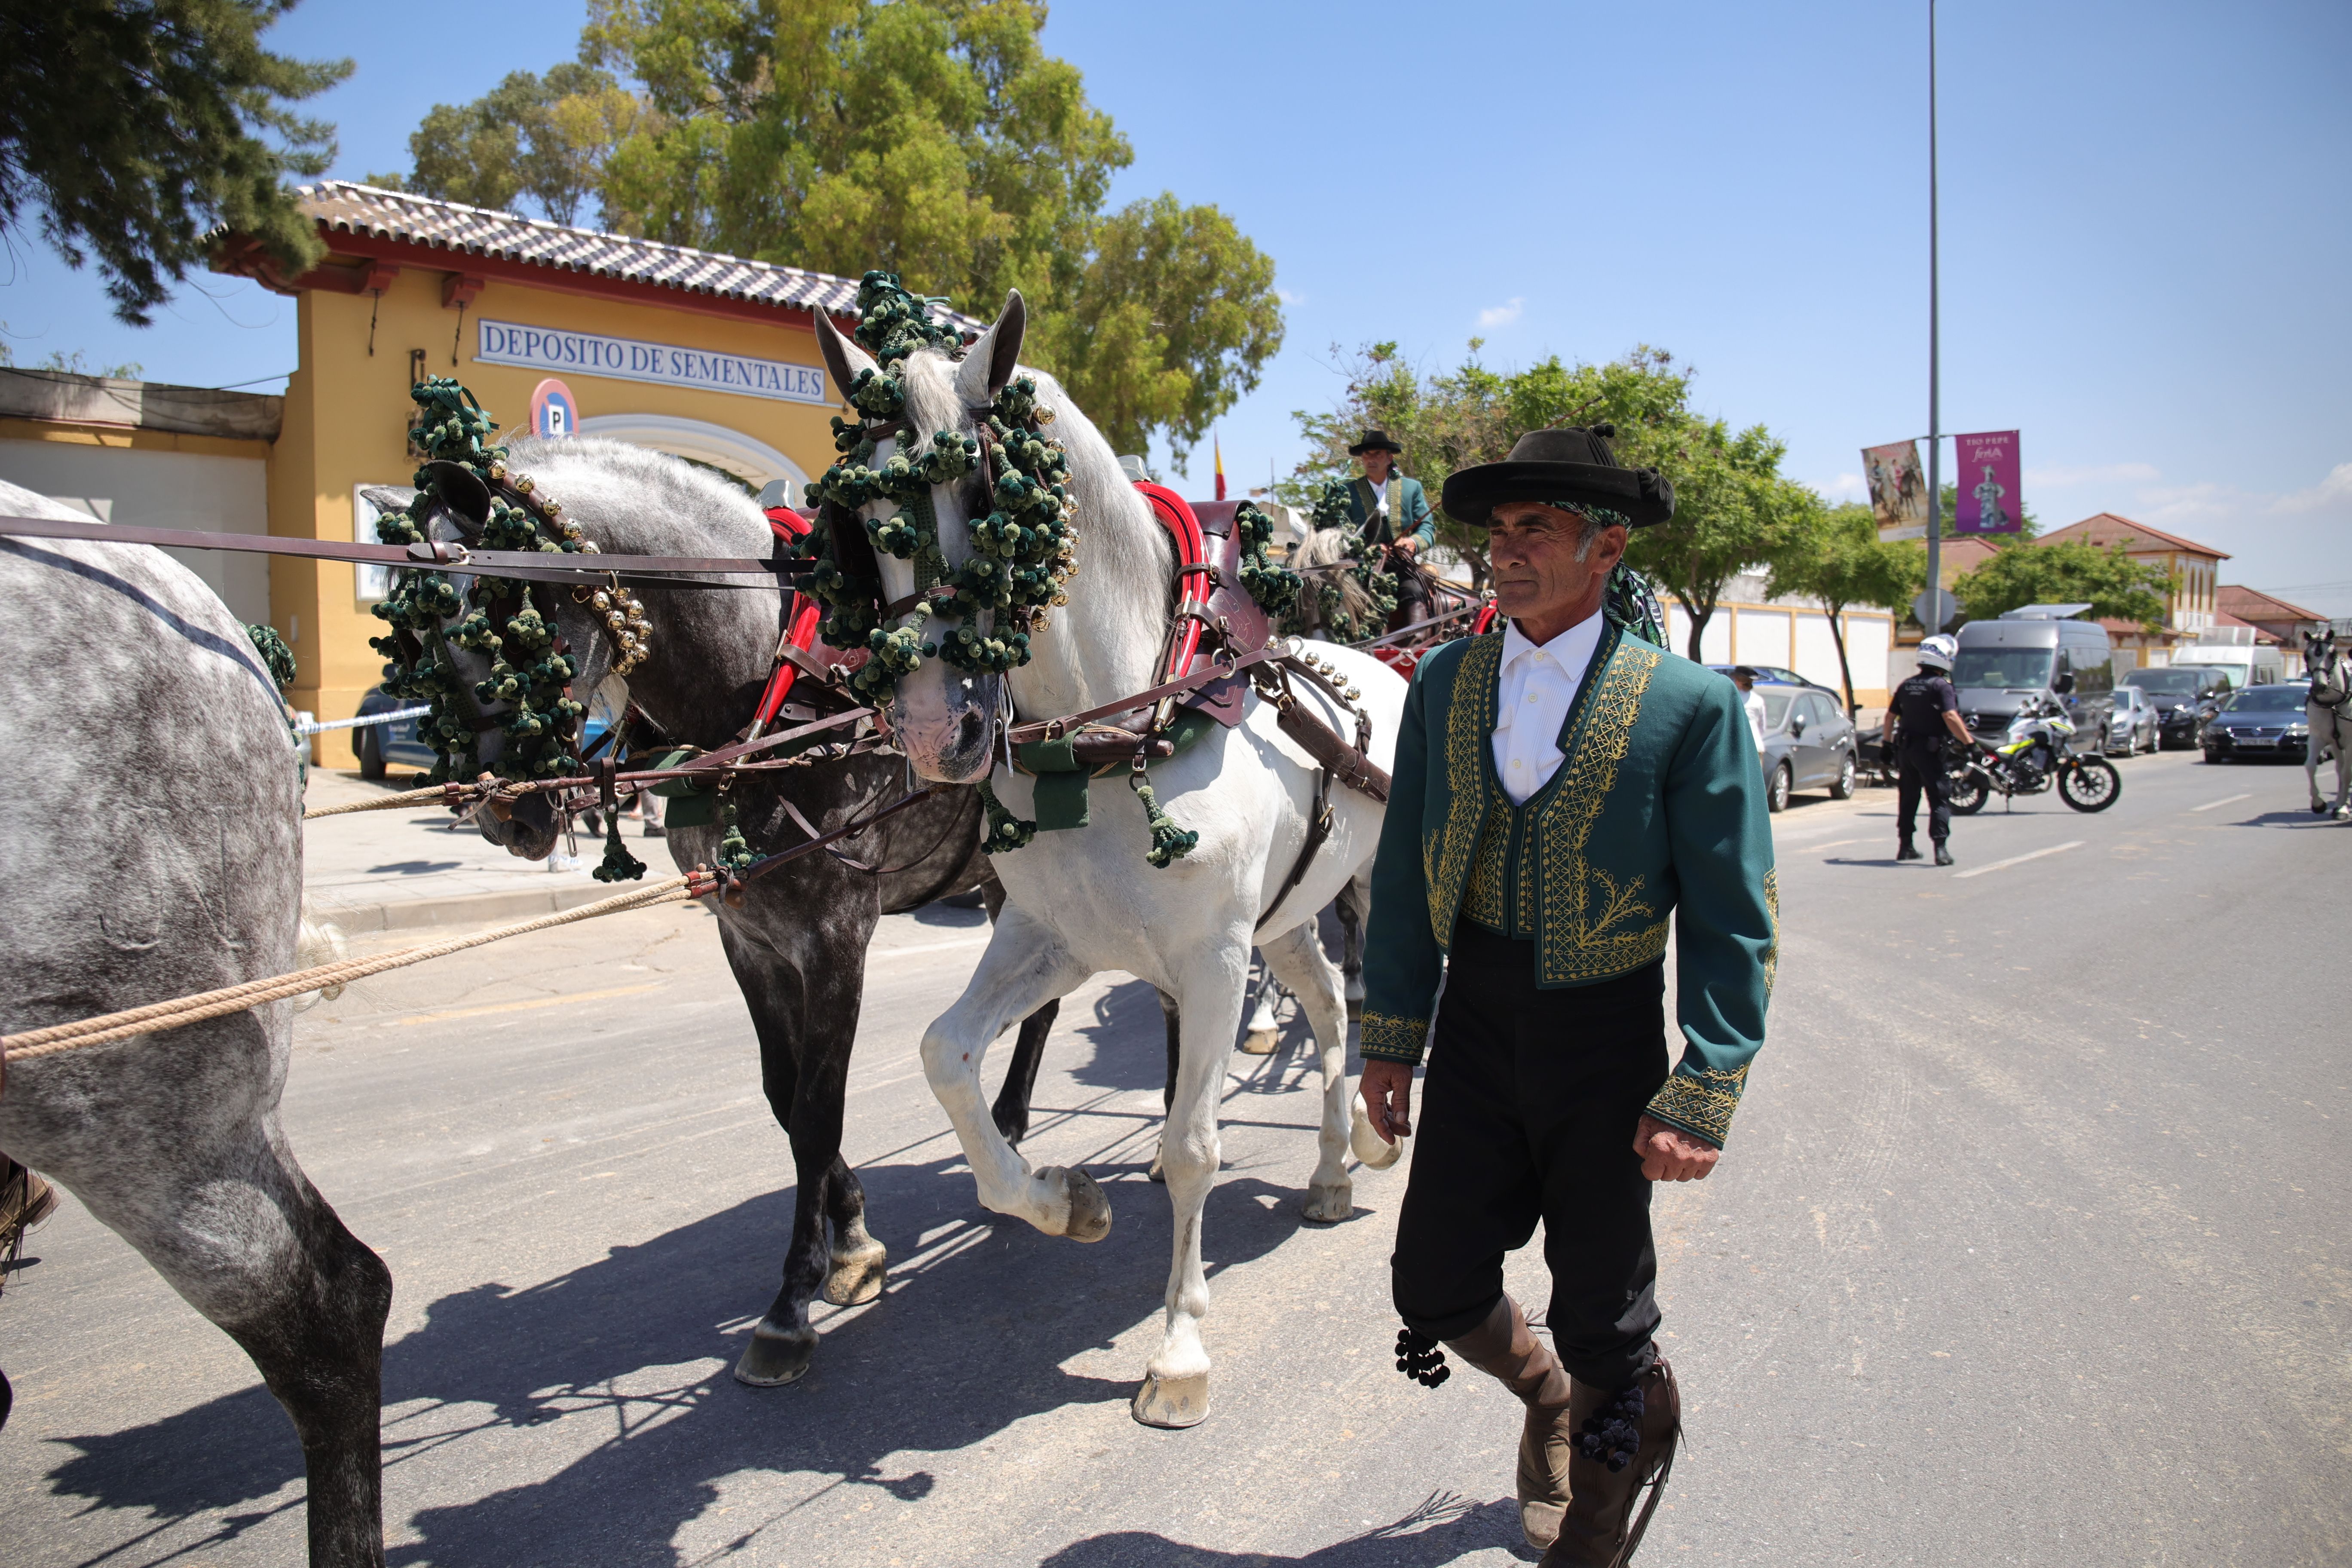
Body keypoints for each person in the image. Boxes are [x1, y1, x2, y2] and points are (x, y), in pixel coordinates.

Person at [1357, 425, 1778, 1565]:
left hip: (1606, 1031)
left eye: (1535, 528)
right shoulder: (1445, 683)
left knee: (1604, 1311)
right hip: (1476, 1021)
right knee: (1434, 1283)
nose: (1506, 551)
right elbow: (1405, 875)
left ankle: (1594, 1523)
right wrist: (1391, 1037)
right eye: (1498, 531)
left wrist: (1706, 1084)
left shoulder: (1688, 704)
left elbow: (1735, 912)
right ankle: (1548, 1399)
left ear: (1607, 548)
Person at [1881, 633, 1973, 866]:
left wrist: (1887, 745)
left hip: (1906, 751)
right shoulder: (1941, 686)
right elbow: (1950, 716)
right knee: (1939, 798)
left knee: (1908, 798)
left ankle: (1905, 847)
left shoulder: (1906, 684)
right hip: (1930, 752)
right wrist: (1970, 744)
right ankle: (1940, 850)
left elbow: (1890, 717)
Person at [1344, 430, 1436, 630]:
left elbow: (1428, 528)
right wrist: (1366, 549)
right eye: (1367, 454)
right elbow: (1340, 533)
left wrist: (1412, 542)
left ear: (1389, 458)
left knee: (1414, 590)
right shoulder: (1347, 492)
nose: (1371, 459)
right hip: (1362, 569)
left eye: (1377, 454)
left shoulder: (1412, 489)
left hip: (1404, 566)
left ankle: (1417, 640)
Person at [1730, 665, 1768, 755]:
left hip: (1741, 749)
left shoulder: (1735, 698)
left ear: (1740, 682)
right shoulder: (1758, 700)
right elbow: (1762, 727)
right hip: (1757, 746)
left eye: (1736, 680)